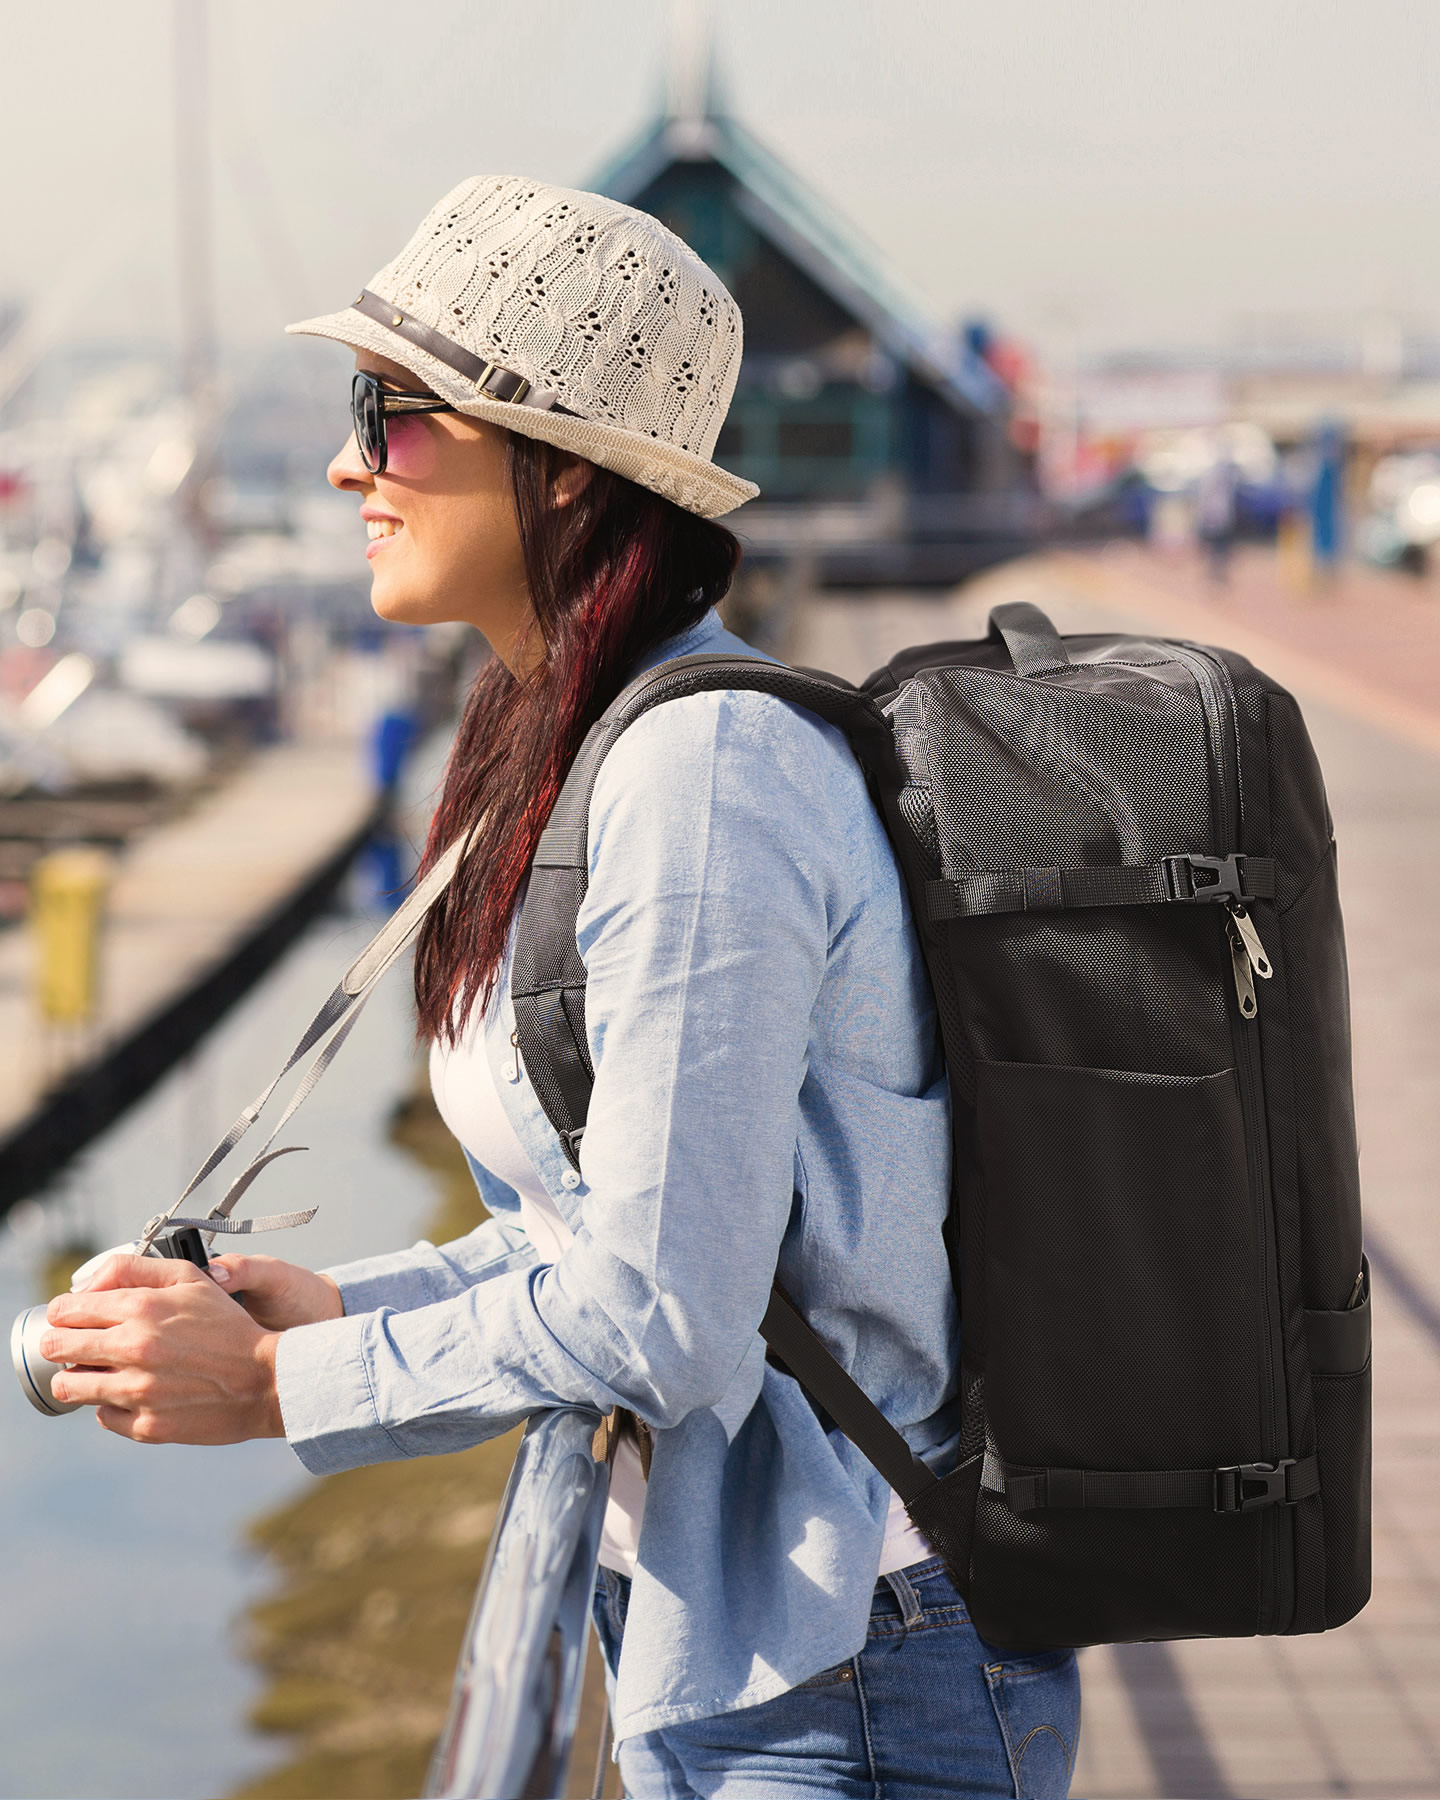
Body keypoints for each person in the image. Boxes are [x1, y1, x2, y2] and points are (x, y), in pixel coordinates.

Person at [38, 178, 1079, 1798]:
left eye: (389, 414)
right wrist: (348, 1307)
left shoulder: (702, 775)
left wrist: (272, 1389)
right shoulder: (572, 744)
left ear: (565, 468)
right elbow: (598, 1226)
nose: (342, 464)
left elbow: (663, 1312)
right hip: (750, 1643)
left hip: (852, 1674)